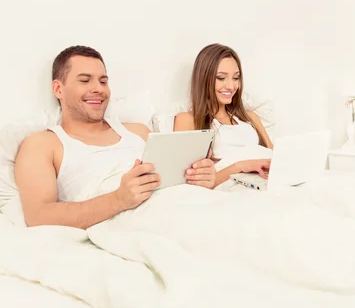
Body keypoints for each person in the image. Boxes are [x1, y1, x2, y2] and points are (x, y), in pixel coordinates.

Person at [15, 45, 217, 229]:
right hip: (140, 224)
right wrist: (118, 200)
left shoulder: (139, 132)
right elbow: (38, 216)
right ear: (58, 89)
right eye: (85, 80)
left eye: (103, 81)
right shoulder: (43, 144)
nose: (99, 88)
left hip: (188, 208)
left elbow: (173, 183)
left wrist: (202, 178)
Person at [174, 43, 273, 188]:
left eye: (236, 78)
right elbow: (186, 181)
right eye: (221, 78)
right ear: (204, 79)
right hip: (231, 190)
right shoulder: (188, 120)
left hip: (264, 184)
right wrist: (241, 166)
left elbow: (275, 157)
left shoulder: (251, 118)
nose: (231, 86)